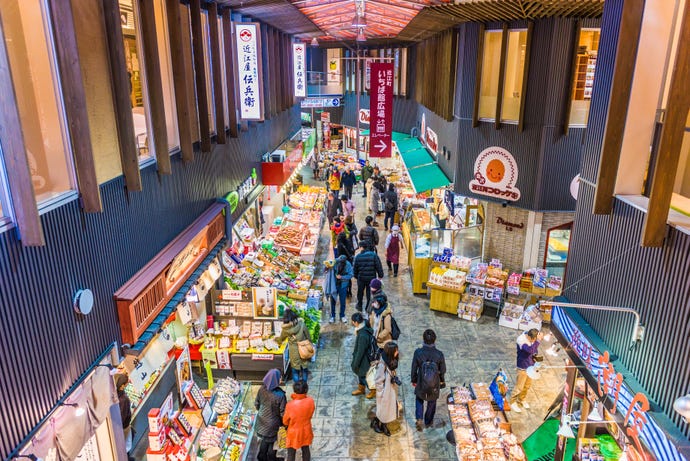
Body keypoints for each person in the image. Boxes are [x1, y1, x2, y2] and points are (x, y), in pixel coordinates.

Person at [411, 329, 447, 431]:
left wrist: (414, 380)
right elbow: (443, 370)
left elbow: (414, 368)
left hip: (421, 382)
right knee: (432, 402)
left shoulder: (418, 352)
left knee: (419, 399)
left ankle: (419, 418)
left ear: (423, 339)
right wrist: (441, 381)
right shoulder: (439, 354)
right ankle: (428, 421)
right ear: (435, 340)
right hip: (434, 384)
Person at [255, 369, 287, 461]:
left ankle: (261, 457)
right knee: (272, 443)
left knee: (264, 440)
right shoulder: (280, 395)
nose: (281, 378)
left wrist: (263, 413)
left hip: (261, 421)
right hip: (272, 425)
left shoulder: (261, 389)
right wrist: (284, 425)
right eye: (280, 377)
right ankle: (271, 458)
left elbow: (257, 404)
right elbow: (282, 413)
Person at [509, 329, 542, 413]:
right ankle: (512, 402)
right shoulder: (521, 340)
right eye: (533, 340)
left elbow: (534, 350)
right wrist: (537, 341)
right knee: (519, 387)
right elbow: (530, 350)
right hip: (522, 367)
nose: (534, 342)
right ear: (530, 337)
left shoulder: (532, 337)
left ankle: (521, 399)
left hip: (531, 366)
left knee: (527, 386)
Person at [372, 341, 400, 436]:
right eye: (396, 350)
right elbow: (378, 380)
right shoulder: (382, 364)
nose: (398, 352)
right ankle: (380, 425)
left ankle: (378, 423)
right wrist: (381, 393)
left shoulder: (390, 361)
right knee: (384, 409)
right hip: (385, 392)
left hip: (389, 390)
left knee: (384, 409)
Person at [276, 310, 311, 383]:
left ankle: (297, 387)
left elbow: (281, 339)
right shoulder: (301, 324)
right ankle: (304, 385)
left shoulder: (285, 329)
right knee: (304, 369)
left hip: (294, 352)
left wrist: (276, 339)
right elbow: (308, 336)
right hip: (303, 350)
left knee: (295, 371)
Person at [283, 380, 315, 461]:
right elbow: (310, 414)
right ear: (306, 390)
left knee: (291, 452)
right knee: (306, 449)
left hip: (293, 432)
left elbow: (285, 421)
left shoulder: (290, 405)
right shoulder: (310, 401)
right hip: (306, 430)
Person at [353, 241, 384, 313]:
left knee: (360, 291)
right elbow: (378, 266)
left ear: (361, 247)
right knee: (369, 292)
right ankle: (368, 306)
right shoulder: (374, 255)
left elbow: (355, 269)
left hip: (361, 278)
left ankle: (359, 305)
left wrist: (356, 276)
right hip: (371, 278)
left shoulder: (358, 257)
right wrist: (380, 275)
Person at [350, 312, 375, 396]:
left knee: (363, 375)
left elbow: (360, 351)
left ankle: (372, 390)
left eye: (352, 322)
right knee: (360, 374)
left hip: (364, 358)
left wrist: (355, 363)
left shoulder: (362, 335)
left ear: (356, 322)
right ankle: (361, 389)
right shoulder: (362, 328)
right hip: (363, 357)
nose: (352, 323)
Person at [325, 255, 352, 323]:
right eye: (339, 262)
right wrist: (327, 267)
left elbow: (351, 275)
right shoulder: (334, 262)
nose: (340, 263)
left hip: (343, 286)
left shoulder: (348, 264)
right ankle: (333, 316)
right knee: (333, 300)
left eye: (342, 262)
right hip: (334, 285)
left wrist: (342, 277)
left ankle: (342, 315)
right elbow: (325, 269)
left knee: (342, 301)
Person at [115, 373, 133, 455]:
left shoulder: (115, 395)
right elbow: (122, 417)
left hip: (118, 428)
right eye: (126, 383)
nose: (127, 383)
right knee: (126, 447)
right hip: (124, 427)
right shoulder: (123, 399)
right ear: (122, 386)